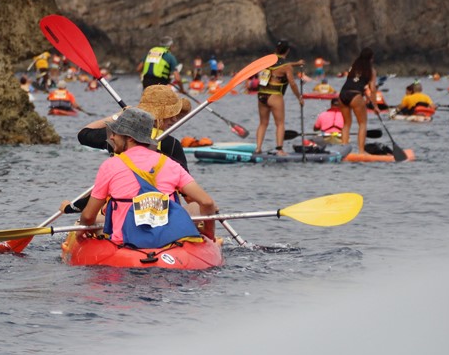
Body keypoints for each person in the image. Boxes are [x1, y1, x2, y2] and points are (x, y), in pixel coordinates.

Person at [72, 108, 218, 248]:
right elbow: (207, 203)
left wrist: (81, 230)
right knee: (194, 206)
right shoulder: (169, 163)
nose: (111, 137)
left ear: (129, 138)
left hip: (126, 242)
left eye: (115, 133)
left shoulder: (110, 166)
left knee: (90, 221)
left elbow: (89, 216)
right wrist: (208, 233)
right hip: (170, 240)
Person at [77, 84, 189, 170]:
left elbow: (83, 134)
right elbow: (185, 185)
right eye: (171, 115)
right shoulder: (172, 144)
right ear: (160, 115)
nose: (174, 119)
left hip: (121, 190)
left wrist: (119, 115)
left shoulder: (117, 136)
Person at [254, 40, 304, 155]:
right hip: (274, 95)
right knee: (280, 124)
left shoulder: (267, 61)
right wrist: (299, 98)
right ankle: (279, 150)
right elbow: (292, 84)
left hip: (261, 94)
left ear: (276, 49)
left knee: (263, 123)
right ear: (288, 51)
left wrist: (296, 63)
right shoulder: (286, 67)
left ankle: (258, 148)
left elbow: (279, 64)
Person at [337, 47, 378, 153]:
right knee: (362, 124)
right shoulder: (371, 71)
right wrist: (375, 106)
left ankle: (344, 150)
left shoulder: (353, 67)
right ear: (371, 58)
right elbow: (373, 89)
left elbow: (354, 82)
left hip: (342, 94)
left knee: (346, 124)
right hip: (355, 95)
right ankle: (361, 151)